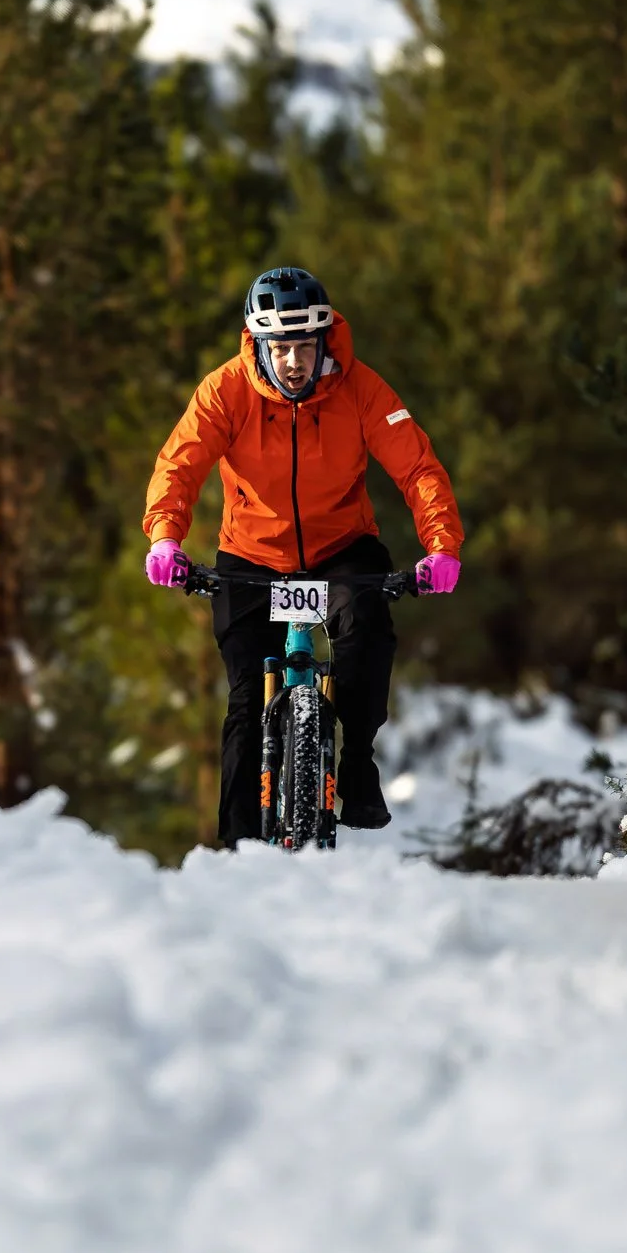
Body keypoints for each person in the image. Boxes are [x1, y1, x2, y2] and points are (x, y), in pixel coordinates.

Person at [142, 266, 463, 841]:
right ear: (258, 345)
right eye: (281, 347)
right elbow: (179, 464)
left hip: (342, 548)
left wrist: (441, 545)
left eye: (305, 346)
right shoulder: (224, 392)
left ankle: (357, 764)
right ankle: (237, 848)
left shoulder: (362, 390)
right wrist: (166, 537)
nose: (294, 361)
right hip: (251, 554)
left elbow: (418, 468)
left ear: (325, 342)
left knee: (366, 637)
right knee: (245, 701)